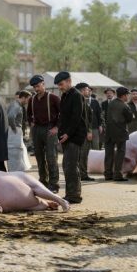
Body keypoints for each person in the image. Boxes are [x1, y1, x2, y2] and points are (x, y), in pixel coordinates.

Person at [55, 72, 87, 205]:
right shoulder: (65, 96)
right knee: (67, 165)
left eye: (61, 84)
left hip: (75, 137)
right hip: (66, 137)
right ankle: (71, 193)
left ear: (69, 81)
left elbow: (76, 117)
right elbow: (63, 117)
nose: (60, 87)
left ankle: (74, 196)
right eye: (58, 85)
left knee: (71, 166)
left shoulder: (76, 95)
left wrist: (67, 134)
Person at [27, 75, 61, 192]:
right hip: (37, 129)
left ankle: (54, 184)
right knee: (39, 157)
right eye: (34, 87)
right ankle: (43, 181)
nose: (36, 89)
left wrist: (57, 127)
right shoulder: (32, 99)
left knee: (51, 157)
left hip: (50, 129)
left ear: (43, 84)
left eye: (38, 86)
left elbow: (62, 114)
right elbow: (28, 114)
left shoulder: (53, 98)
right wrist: (31, 123)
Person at [103, 87, 132, 181]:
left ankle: (108, 174)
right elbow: (130, 119)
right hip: (120, 132)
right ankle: (117, 175)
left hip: (109, 132)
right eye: (127, 95)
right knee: (120, 153)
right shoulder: (124, 105)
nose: (128, 96)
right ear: (123, 96)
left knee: (109, 153)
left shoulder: (111, 103)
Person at [75, 83, 95, 182]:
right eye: (87, 90)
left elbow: (89, 119)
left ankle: (82, 173)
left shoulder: (84, 102)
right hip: (81, 134)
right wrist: (88, 132)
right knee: (81, 155)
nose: (88, 91)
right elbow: (83, 120)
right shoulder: (79, 102)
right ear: (82, 91)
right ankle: (81, 174)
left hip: (82, 133)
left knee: (83, 155)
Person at [7, 90, 31, 172]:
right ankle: (16, 173)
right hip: (15, 132)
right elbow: (10, 117)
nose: (28, 101)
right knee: (15, 152)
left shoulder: (15, 104)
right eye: (28, 99)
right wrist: (14, 129)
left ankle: (16, 172)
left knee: (18, 152)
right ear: (23, 98)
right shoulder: (16, 106)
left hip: (14, 131)